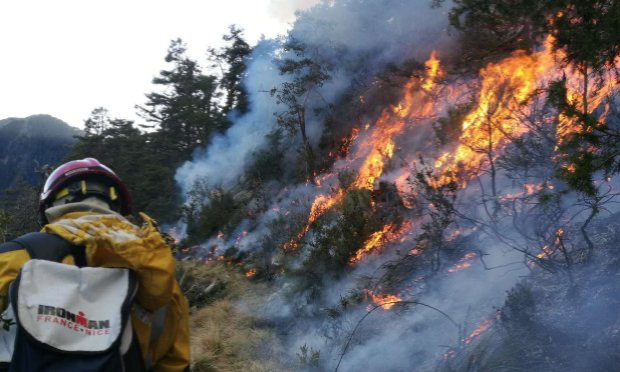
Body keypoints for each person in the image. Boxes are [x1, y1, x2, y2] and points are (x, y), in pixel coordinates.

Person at [0, 158, 190, 371]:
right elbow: (175, 364)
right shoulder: (155, 270)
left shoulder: (14, 258)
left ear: (52, 205)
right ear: (116, 204)